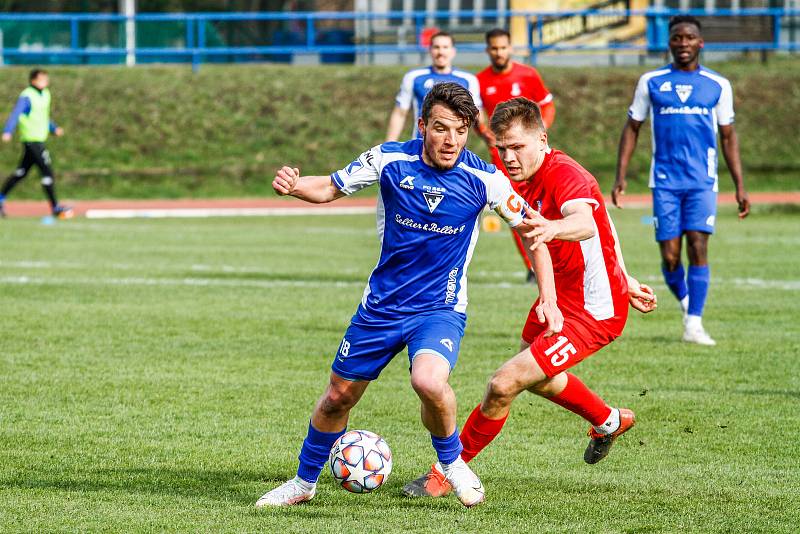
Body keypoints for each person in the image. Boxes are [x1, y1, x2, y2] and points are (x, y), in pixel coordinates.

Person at [255, 83, 563, 508]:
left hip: (439, 309)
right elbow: (329, 187)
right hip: (381, 307)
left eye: (460, 130)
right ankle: (304, 483)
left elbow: (536, 232)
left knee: (428, 380)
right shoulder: (389, 160)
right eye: (440, 128)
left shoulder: (486, 178)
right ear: (422, 126)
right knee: (337, 397)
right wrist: (292, 185)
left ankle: (452, 463)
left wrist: (547, 295)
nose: (450, 139)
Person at [402, 97, 657, 499]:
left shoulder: (563, 173)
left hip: (593, 310)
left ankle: (444, 474)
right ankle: (608, 420)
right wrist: (625, 275)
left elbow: (586, 222)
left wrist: (554, 229)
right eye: (502, 148)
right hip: (556, 297)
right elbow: (605, 224)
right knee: (538, 379)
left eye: (518, 147)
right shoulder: (517, 176)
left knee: (504, 383)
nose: (509, 156)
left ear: (542, 139)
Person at [612, 15, 749, 346]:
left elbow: (728, 137)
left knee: (699, 246)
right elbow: (632, 128)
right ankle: (689, 303)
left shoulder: (718, 85)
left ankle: (694, 323)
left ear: (700, 43)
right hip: (665, 181)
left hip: (703, 181)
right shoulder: (651, 82)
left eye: (689, 38)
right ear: (669, 43)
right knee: (671, 257)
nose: (683, 43)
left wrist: (739, 185)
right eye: (677, 38)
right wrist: (621, 176)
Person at [476, 27, 557, 283]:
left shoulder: (528, 75)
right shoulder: (480, 80)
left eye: (503, 47)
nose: (499, 52)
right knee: (514, 210)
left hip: (534, 156)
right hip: (502, 159)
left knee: (545, 205)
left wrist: (537, 135)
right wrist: (483, 132)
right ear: (488, 50)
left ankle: (556, 258)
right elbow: (476, 113)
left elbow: (548, 106)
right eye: (494, 48)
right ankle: (533, 267)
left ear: (510, 47)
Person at [385, 31, 490, 145]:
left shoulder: (468, 79)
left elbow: (477, 114)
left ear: (453, 51)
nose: (441, 52)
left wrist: (486, 134)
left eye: (445, 47)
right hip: (422, 146)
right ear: (430, 50)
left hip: (454, 146)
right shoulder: (414, 77)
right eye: (436, 47)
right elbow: (400, 113)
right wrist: (389, 145)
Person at [0, 69, 71, 219]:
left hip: (39, 139)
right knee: (47, 171)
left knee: (21, 173)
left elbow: (42, 116)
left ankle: (1, 198)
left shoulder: (45, 94)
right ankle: (55, 207)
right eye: (42, 79)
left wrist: (53, 128)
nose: (45, 81)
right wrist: (8, 131)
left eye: (46, 78)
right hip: (32, 141)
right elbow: (16, 114)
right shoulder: (27, 96)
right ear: (33, 81)